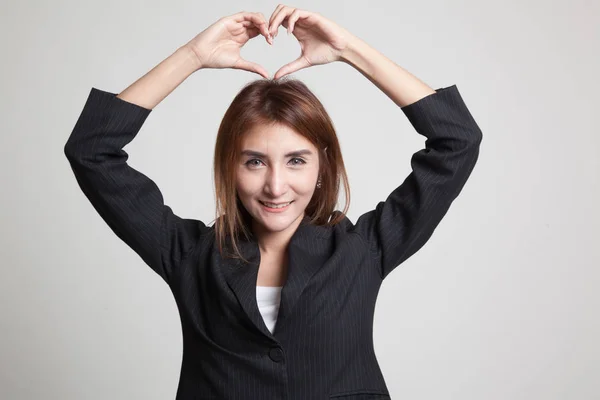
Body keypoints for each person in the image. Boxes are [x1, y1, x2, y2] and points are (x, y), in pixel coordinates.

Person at [64, 5, 482, 400]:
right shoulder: (189, 255)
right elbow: (91, 150)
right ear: (230, 167)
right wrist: (193, 55)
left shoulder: (363, 249)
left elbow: (457, 140)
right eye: (255, 162)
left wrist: (349, 50)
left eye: (296, 161)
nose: (275, 186)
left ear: (323, 165)